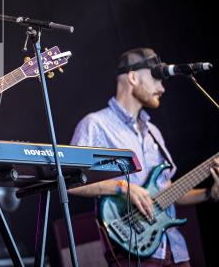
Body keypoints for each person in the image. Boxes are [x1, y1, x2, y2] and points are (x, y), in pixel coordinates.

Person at [68, 48, 219, 266]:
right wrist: (122, 187)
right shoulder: (96, 124)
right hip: (132, 248)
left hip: (175, 248)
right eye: (157, 77)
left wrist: (209, 193)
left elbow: (167, 191)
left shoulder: (153, 132)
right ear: (132, 77)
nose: (162, 88)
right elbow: (69, 181)